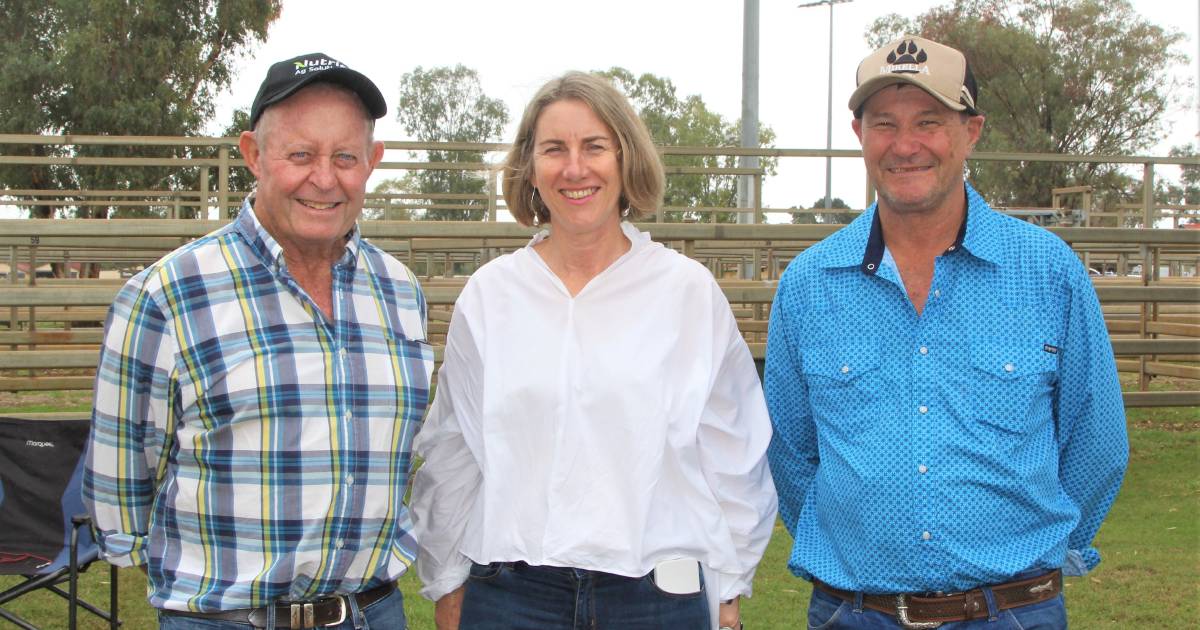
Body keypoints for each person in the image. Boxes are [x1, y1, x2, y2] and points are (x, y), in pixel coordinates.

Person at [765, 36, 1128, 629]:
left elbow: (1096, 441)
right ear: (859, 134)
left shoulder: (1047, 270)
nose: (905, 146)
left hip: (1013, 611)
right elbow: (790, 450)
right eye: (885, 123)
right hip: (856, 614)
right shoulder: (809, 285)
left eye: (929, 122)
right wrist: (856, 546)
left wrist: (1032, 559)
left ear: (971, 131)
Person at [410, 71, 777, 630]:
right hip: (510, 595)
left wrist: (729, 588)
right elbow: (454, 450)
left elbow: (733, 452)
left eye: (594, 147)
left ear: (625, 159)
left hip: (655, 598)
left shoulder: (685, 292)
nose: (575, 168)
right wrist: (445, 582)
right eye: (554, 149)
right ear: (531, 169)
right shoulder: (491, 294)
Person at [83, 52, 433, 629]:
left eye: (345, 157)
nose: (324, 178)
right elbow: (121, 491)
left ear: (372, 162)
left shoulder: (400, 293)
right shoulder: (166, 295)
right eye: (300, 155)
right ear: (253, 154)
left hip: (374, 613)